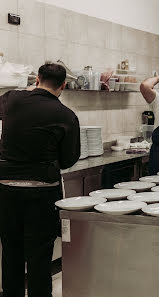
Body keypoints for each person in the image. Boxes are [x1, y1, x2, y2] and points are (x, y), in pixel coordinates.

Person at [0, 62, 80, 297]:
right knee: (39, 255)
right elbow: (68, 160)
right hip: (42, 192)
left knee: (11, 249)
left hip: (6, 190)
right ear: (63, 86)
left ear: (37, 79)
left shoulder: (11, 99)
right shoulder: (66, 115)